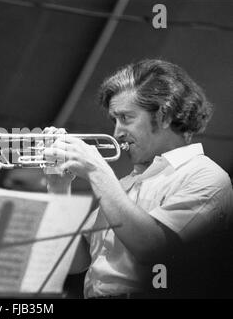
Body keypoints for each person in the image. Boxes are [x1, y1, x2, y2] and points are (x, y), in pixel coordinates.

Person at [43, 59, 233, 298]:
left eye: (126, 118)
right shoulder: (126, 184)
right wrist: (58, 187)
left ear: (164, 115)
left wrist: (97, 171)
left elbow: (153, 249)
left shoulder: (205, 176)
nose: (116, 132)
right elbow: (73, 262)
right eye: (114, 120)